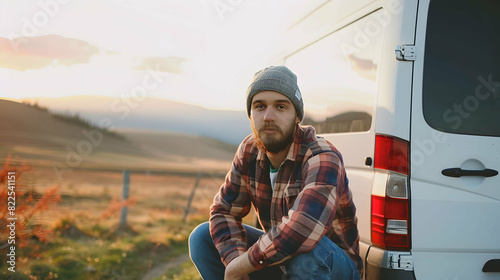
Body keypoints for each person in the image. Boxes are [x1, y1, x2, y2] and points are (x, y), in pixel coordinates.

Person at [189, 66, 363, 279]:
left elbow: (302, 229)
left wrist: (240, 267)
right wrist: (234, 259)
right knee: (202, 237)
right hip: (283, 258)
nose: (268, 116)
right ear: (250, 114)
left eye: (281, 107)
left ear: (297, 116)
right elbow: (224, 211)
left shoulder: (322, 156)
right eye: (260, 106)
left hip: (332, 267)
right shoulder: (248, 150)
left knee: (310, 254)